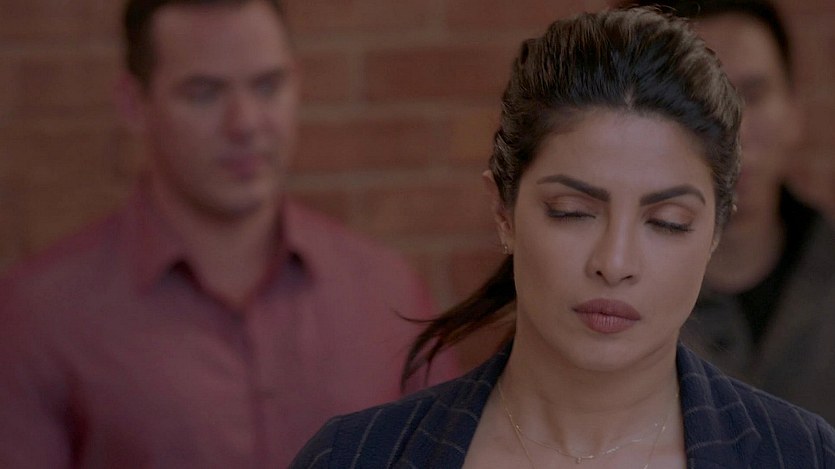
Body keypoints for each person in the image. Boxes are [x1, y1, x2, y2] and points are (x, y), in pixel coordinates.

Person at [290, 7, 835, 468]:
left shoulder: (803, 455)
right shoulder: (356, 456)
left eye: (667, 221)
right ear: (503, 211)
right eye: (572, 212)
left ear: (714, 232)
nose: (614, 262)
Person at [0, 0, 458, 467]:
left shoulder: (386, 290)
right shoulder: (40, 315)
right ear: (134, 104)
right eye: (203, 93)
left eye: (268, 85)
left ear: (297, 83)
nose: (245, 123)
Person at [620, 0, 835, 425]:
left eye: (753, 95)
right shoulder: (610, 296)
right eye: (696, 102)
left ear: (794, 113)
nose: (732, 131)